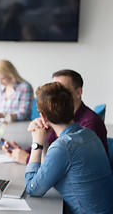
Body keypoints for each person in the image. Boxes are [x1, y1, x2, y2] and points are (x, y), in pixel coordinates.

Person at [25, 82, 113, 214]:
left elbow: (33, 188)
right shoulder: (89, 134)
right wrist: (43, 141)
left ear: (42, 117)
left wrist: (36, 143)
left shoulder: (63, 147)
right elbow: (46, 173)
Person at [2, 69, 108, 164]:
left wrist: (27, 158)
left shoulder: (90, 122)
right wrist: (20, 152)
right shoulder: (58, 116)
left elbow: (66, 163)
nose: (55, 95)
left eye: (62, 90)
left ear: (78, 92)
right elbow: (48, 143)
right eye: (54, 89)